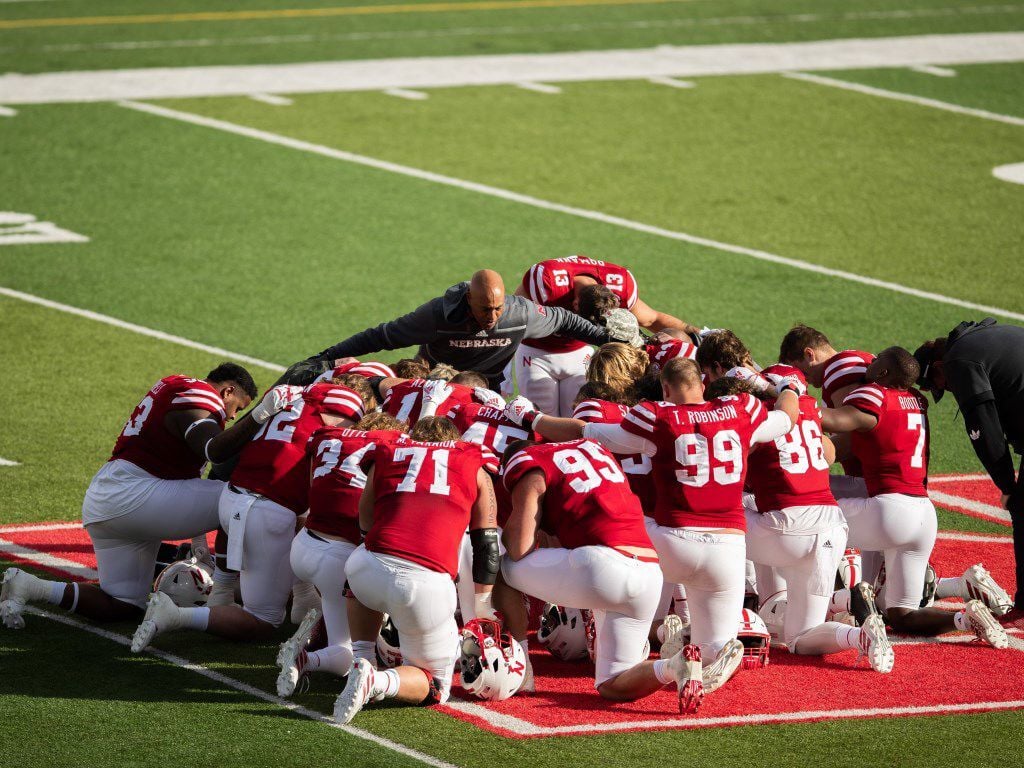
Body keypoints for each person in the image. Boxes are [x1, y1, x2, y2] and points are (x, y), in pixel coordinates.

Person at [504, 358, 801, 705]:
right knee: (714, 646)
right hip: (730, 547)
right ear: (703, 384)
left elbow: (588, 432)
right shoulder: (739, 410)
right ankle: (701, 652)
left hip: (669, 541)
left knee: (612, 536)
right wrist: (789, 387)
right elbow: (785, 418)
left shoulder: (659, 417)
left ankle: (632, 639)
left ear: (664, 389)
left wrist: (532, 418)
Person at [0, 364, 298, 628]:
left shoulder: (175, 385)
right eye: (237, 407)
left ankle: (31, 587)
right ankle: (236, 591)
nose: (233, 416)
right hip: (137, 495)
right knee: (247, 498)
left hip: (111, 501)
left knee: (124, 603)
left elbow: (187, 479)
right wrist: (260, 414)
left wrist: (196, 539)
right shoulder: (200, 395)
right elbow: (213, 450)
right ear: (227, 390)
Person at [128, 383, 367, 652]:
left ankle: (228, 593)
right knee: (264, 619)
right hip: (267, 510)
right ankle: (175, 616)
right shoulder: (337, 414)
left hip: (233, 496)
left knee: (291, 541)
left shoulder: (291, 399)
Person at [822, 347, 1008, 648]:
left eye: (877, 359)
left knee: (802, 512)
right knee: (902, 613)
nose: (871, 361)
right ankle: (964, 618)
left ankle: (797, 605)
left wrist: (786, 397)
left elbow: (832, 420)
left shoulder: (875, 394)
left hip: (887, 511)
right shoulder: (918, 402)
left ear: (883, 374)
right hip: (923, 513)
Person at [333, 417, 500, 724]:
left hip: (364, 571)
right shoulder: (473, 459)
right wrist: (483, 605)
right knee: (436, 686)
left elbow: (365, 521)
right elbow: (487, 543)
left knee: (361, 559)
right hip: (422, 583)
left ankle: (361, 660)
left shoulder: (388, 451)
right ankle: (376, 681)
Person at [495, 438, 683, 707]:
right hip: (649, 572)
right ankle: (672, 667)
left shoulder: (529, 463)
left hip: (603, 566)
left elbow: (519, 549)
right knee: (613, 684)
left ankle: (522, 669)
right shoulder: (594, 448)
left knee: (502, 569)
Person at [287, 270, 642, 391]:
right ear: (469, 300)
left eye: (497, 308)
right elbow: (381, 336)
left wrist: (615, 339)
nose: (492, 316)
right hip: (436, 386)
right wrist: (328, 356)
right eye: (485, 308)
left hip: (486, 391)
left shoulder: (518, 314)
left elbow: (565, 320)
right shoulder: (437, 316)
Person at [277, 410, 407, 697]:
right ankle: (305, 658)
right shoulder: (391, 446)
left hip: (303, 545)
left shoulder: (331, 437)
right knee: (349, 658)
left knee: (333, 600)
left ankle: (314, 623)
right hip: (335, 558)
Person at [914, 318, 1024, 627]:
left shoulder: (959, 361)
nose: (946, 388)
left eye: (939, 383)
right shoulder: (985, 337)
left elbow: (985, 428)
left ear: (939, 365)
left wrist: (1007, 486)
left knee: (1022, 508)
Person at [513, 256, 695, 415]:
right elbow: (511, 315)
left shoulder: (619, 284)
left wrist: (701, 334)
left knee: (577, 414)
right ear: (575, 305)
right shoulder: (547, 282)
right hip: (536, 352)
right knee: (541, 415)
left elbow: (651, 319)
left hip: (579, 353)